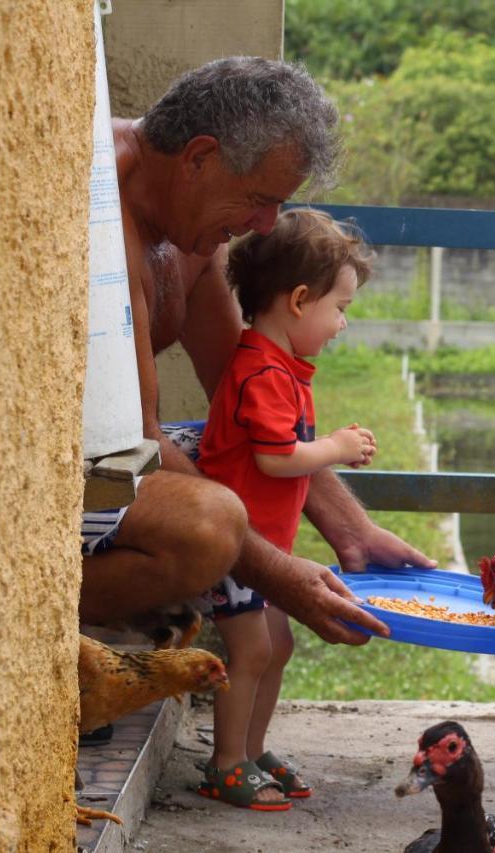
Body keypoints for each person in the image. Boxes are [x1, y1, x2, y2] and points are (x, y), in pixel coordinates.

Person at [79, 56, 432, 645]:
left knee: (246, 437)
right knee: (210, 526)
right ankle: (44, 626)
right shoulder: (101, 211)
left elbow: (243, 388)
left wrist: (351, 529)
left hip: (116, 456)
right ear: (198, 157)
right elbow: (135, 438)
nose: (266, 226)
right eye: (260, 199)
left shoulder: (188, 220)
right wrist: (275, 570)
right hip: (54, 472)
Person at [195, 208, 376, 808]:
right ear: (299, 300)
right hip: (236, 548)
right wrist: (338, 448)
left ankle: (251, 748)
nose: (343, 324)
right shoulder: (261, 373)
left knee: (279, 647)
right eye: (340, 308)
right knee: (251, 651)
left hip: (267, 546)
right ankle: (227, 763)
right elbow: (276, 458)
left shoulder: (283, 369)